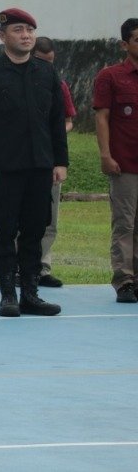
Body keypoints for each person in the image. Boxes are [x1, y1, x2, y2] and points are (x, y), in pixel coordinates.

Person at [0, 8, 67, 317]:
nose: (26, 36)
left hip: (40, 166)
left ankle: (30, 293)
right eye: (18, 30)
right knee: (5, 231)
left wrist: (60, 161)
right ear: (2, 36)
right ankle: (8, 294)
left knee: (34, 232)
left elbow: (56, 120)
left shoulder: (46, 73)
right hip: (5, 168)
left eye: (29, 30)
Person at [92, 18, 138, 304]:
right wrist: (106, 155)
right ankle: (125, 281)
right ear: (124, 44)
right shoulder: (110, 76)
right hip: (125, 164)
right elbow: (102, 118)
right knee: (125, 224)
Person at [32, 36, 76, 288]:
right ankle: (19, 266)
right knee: (20, 218)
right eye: (42, 61)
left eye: (50, 62)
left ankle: (43, 268)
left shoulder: (58, 84)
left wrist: (54, 133)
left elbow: (68, 121)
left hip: (50, 159)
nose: (47, 66)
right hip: (21, 159)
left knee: (50, 218)